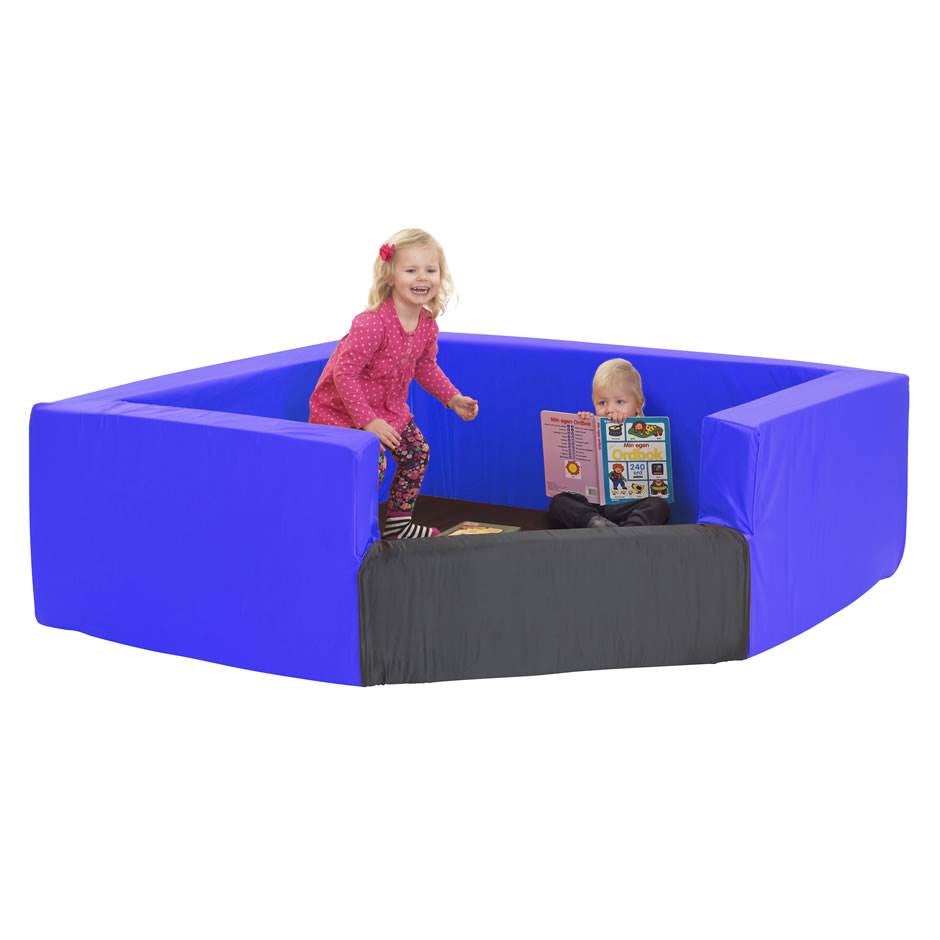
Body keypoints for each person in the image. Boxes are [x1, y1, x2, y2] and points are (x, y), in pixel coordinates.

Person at [309, 229, 478, 539]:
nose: (422, 278)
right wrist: (368, 421)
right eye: (410, 270)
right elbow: (343, 374)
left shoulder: (427, 325)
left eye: (430, 270)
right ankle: (352, 529)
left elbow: (426, 367)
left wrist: (453, 398)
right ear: (390, 276)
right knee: (371, 464)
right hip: (343, 412)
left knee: (416, 452)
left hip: (387, 410)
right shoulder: (372, 323)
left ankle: (399, 524)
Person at [548, 358, 670, 529]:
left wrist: (630, 422)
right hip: (595, 505)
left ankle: (627, 533)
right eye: (602, 403)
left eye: (620, 402)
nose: (610, 410)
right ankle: (596, 524)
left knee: (658, 505)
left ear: (638, 404)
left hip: (628, 503)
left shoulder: (643, 427)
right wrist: (584, 424)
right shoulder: (595, 424)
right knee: (559, 502)